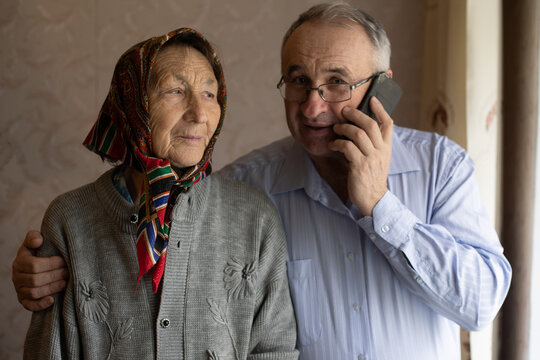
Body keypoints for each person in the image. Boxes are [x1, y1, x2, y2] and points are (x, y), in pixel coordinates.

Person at [13, 3, 511, 360]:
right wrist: (44, 275)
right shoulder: (249, 188)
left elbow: (482, 304)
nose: (313, 107)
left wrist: (382, 207)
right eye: (297, 80)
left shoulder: (442, 167)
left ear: (383, 87)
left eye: (337, 82)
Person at [21, 27, 298, 359]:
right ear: (133, 104)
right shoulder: (69, 219)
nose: (199, 113)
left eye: (210, 94)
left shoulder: (254, 216)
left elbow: (274, 349)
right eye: (175, 90)